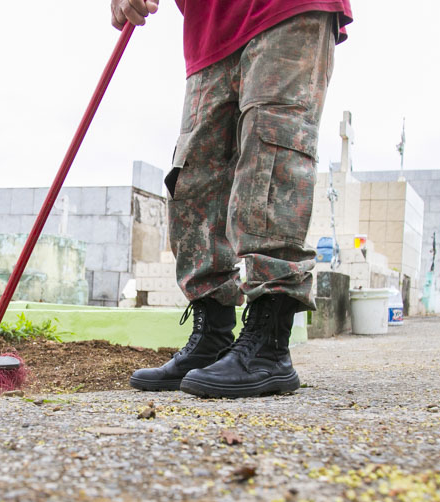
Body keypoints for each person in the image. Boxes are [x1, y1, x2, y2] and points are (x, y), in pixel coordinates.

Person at [116, 0, 352, 399]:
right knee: (195, 177)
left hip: (284, 9)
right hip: (208, 25)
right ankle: (212, 336)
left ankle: (269, 348)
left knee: (270, 157)